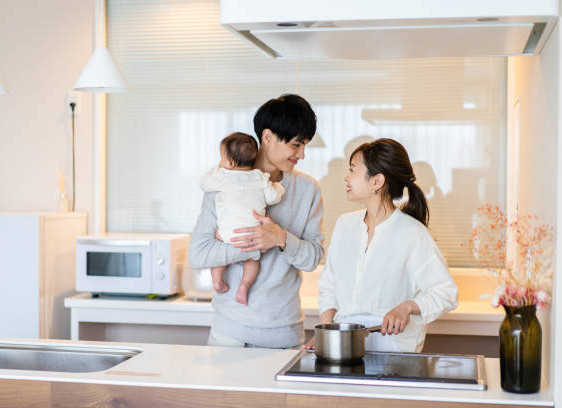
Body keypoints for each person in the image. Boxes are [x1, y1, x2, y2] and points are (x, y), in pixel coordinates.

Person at [189, 94, 324, 349]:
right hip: (229, 334)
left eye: (305, 145)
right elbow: (198, 255)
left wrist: (280, 238)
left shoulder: (308, 190)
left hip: (284, 334)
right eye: (297, 144)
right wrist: (251, 245)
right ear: (268, 136)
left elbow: (313, 258)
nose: (302, 154)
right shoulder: (223, 183)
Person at [304, 138, 458, 352]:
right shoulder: (344, 225)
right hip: (345, 349)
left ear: (377, 181)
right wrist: (326, 334)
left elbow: (445, 292)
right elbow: (329, 287)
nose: (346, 177)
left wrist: (408, 307)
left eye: (353, 170)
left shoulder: (413, 233)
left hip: (394, 351)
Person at [200, 132, 285, 306]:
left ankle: (217, 280)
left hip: (227, 234)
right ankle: (244, 286)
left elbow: (205, 184)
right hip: (252, 236)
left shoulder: (222, 176)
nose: (220, 163)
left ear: (230, 162)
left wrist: (217, 169)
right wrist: (277, 186)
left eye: (221, 159)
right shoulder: (260, 177)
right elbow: (273, 197)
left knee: (218, 251)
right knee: (252, 261)